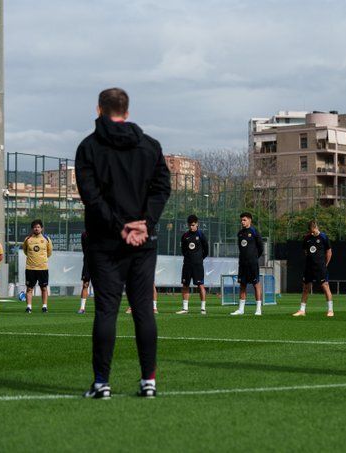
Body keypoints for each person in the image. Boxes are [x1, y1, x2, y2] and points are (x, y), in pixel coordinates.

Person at [76, 87, 171, 399]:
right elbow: (161, 188)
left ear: (99, 109)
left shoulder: (88, 148)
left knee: (106, 310)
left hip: (105, 242)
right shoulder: (150, 146)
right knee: (143, 309)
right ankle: (149, 382)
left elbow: (92, 198)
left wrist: (122, 227)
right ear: (127, 112)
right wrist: (146, 223)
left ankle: (101, 383)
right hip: (143, 241)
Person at [293, 220, 334, 317]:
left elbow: (329, 252)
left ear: (316, 227)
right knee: (306, 288)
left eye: (313, 230)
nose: (312, 232)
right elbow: (305, 251)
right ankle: (302, 310)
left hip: (320, 267)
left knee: (325, 286)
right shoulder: (307, 238)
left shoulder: (323, 237)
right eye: (311, 231)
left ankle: (330, 310)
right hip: (309, 267)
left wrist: (325, 264)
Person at [230, 212, 264, 316]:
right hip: (243, 263)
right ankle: (241, 309)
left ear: (249, 220)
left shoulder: (254, 231)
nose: (242, 222)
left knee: (256, 284)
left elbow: (260, 247)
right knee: (242, 285)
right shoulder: (240, 233)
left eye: (244, 220)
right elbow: (241, 248)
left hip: (252, 263)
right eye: (241, 220)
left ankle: (258, 309)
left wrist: (254, 257)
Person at [176, 215, 209, 315]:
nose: (191, 227)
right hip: (187, 264)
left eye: (193, 225)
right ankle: (185, 308)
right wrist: (188, 259)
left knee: (200, 285)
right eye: (190, 225)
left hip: (198, 265)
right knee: (185, 285)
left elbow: (206, 250)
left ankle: (203, 308)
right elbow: (183, 250)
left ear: (197, 224)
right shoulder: (185, 236)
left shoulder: (201, 235)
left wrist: (199, 258)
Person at [22, 219, 53, 313]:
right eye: (35, 227)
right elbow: (25, 251)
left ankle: (44, 306)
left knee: (44, 288)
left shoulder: (46, 239)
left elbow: (49, 252)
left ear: (42, 228)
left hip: (42, 268)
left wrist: (41, 259)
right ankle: (28, 307)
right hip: (30, 268)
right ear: (32, 229)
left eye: (38, 227)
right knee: (29, 288)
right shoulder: (28, 239)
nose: (36, 228)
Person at [78, 231, 91, 314]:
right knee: (85, 284)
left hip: (101, 263)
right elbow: (84, 248)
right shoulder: (84, 234)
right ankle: (82, 308)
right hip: (88, 262)